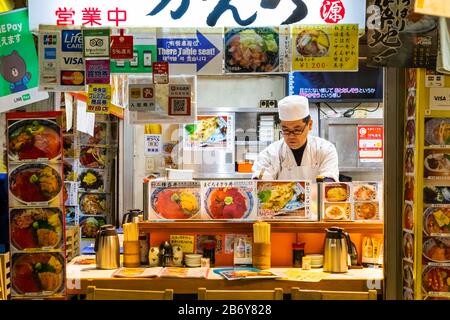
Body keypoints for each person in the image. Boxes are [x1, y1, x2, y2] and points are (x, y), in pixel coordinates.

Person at [252, 95, 339, 181]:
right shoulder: (271, 153)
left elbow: (328, 182)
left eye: (297, 130)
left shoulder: (325, 149)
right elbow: (260, 181)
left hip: (315, 195)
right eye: (285, 130)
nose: (291, 136)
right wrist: (260, 180)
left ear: (310, 124)